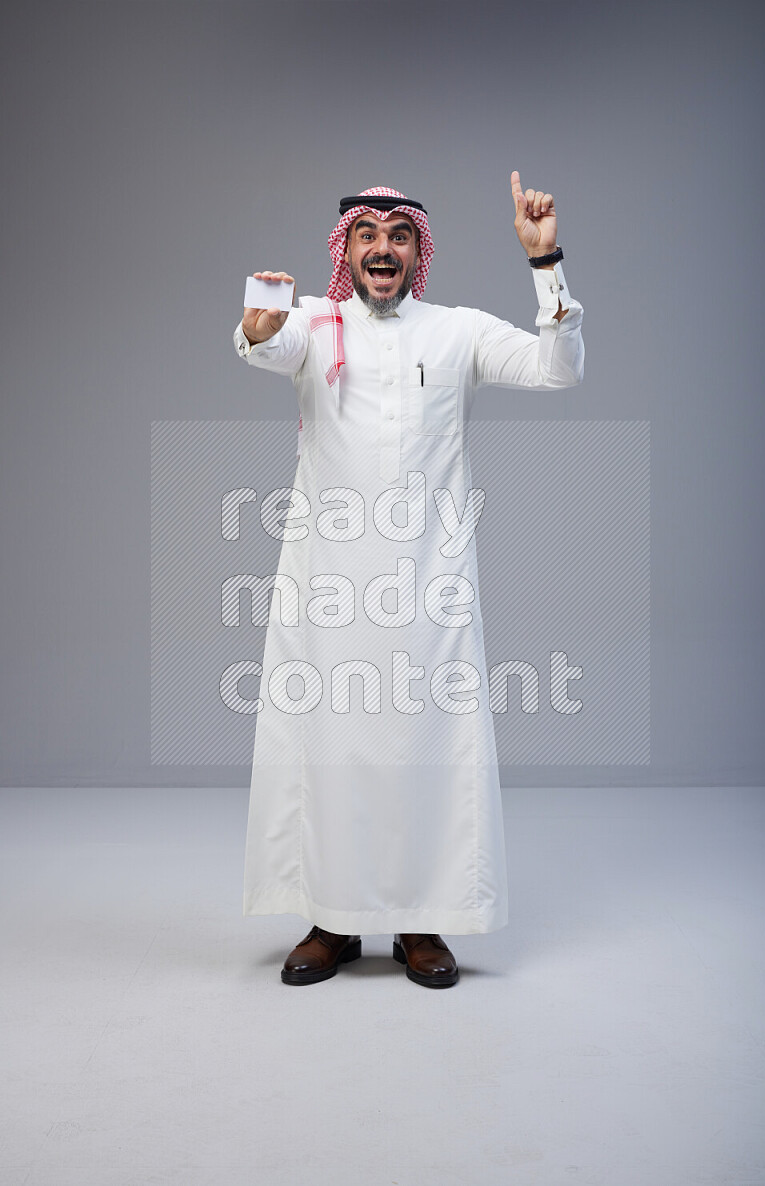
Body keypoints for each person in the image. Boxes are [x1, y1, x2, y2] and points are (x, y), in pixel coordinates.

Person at [233, 172, 584, 988]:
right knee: (331, 746)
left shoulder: (456, 331)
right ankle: (331, 920)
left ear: (418, 252)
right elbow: (265, 342)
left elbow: (556, 368)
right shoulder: (316, 325)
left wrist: (546, 263)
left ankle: (423, 927)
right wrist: (256, 326)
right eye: (367, 233)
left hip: (431, 583)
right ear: (347, 249)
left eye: (398, 235)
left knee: (428, 745)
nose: (382, 247)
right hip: (329, 584)